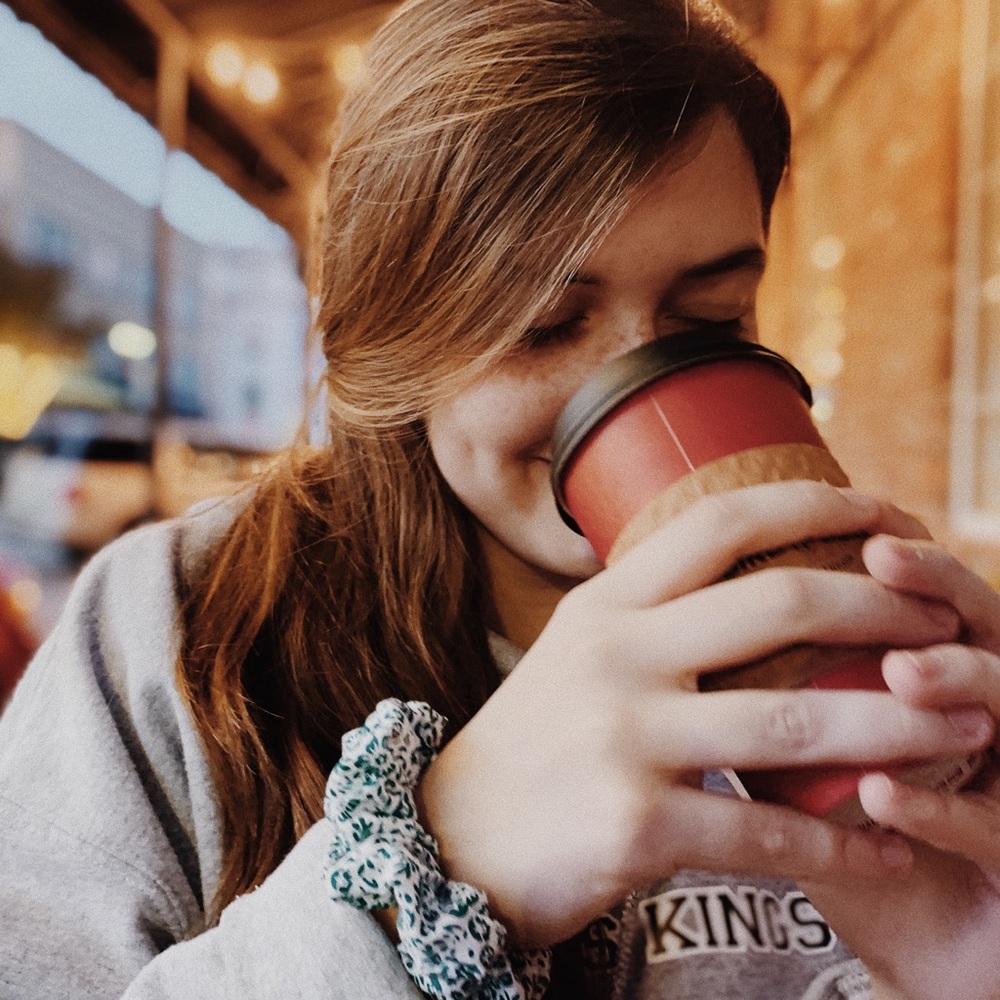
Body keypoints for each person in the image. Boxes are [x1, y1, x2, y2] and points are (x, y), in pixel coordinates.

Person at [2, 0, 1000, 997]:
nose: (628, 379)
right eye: (542, 324)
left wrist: (948, 970)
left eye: (711, 311)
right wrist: (434, 877)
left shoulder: (872, 627)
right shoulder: (183, 624)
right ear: (399, 335)